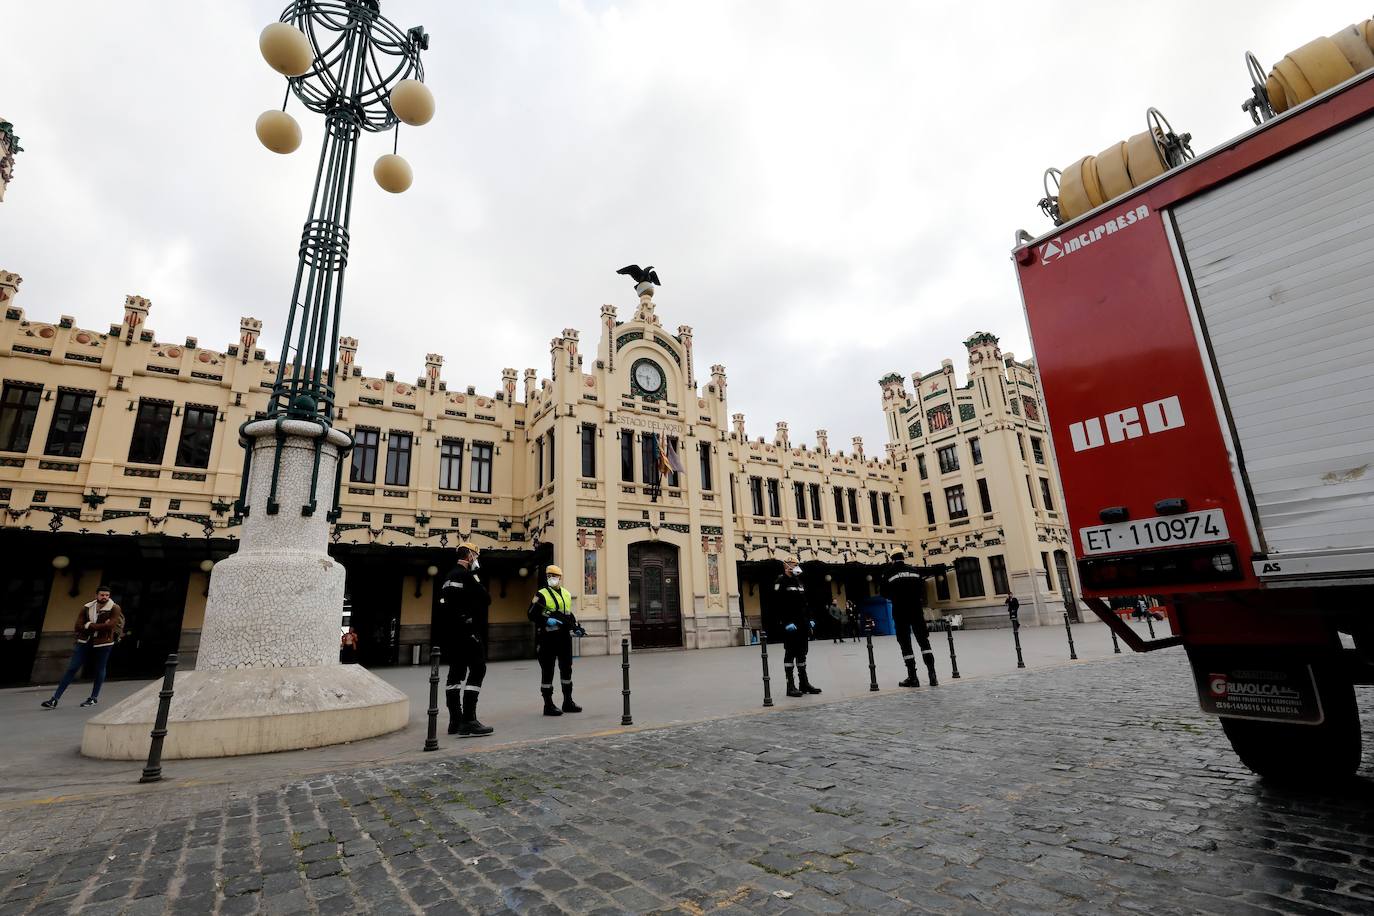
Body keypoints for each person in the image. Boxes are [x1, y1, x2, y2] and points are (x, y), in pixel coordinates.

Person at [437, 543, 493, 737]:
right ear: (470, 556)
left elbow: (445, 604)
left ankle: (455, 721)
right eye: (476, 555)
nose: (477, 559)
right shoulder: (466, 575)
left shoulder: (448, 576)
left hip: (451, 633)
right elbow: (486, 598)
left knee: (455, 674)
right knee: (478, 668)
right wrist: (476, 576)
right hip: (466, 630)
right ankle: (469, 719)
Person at [41, 586, 123, 709]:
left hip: (104, 642)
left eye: (107, 595)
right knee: (72, 668)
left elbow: (110, 625)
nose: (104, 597)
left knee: (99, 669)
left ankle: (93, 698)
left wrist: (89, 625)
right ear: (96, 595)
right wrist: (98, 625)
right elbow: (77, 626)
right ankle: (54, 699)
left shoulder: (114, 608)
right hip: (85, 641)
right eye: (102, 595)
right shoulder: (87, 607)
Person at [527, 564, 585, 716]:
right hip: (548, 639)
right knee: (548, 671)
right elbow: (531, 614)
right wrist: (546, 621)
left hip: (564, 638)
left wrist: (576, 627)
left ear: (560, 577)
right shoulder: (541, 594)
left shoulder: (566, 593)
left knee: (567, 669)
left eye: (554, 576)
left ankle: (568, 701)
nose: (552, 578)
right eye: (549, 576)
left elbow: (567, 614)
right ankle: (548, 704)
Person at [880, 552, 939, 688]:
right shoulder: (914, 571)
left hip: (900, 611)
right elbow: (922, 590)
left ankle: (913, 677)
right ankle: (932, 675)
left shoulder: (888, 573)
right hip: (916, 610)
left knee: (905, 643)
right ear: (903, 557)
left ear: (892, 559)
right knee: (924, 642)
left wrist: (896, 597)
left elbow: (883, 592)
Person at [770, 557, 821, 697]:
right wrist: (785, 622)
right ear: (787, 566)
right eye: (794, 565)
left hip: (802, 624)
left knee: (802, 653)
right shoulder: (780, 581)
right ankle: (790, 685)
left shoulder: (799, 581)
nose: (797, 567)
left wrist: (810, 619)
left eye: (797, 564)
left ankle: (804, 683)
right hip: (790, 626)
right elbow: (777, 605)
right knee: (790, 654)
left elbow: (805, 603)